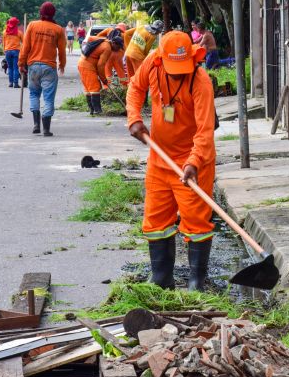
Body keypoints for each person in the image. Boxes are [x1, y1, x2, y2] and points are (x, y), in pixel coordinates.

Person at [126, 31, 215, 292]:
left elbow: (205, 131)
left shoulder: (200, 81)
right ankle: (162, 278)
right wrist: (134, 117)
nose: (177, 73)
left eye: (182, 67)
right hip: (159, 159)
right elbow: (134, 88)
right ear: (161, 58)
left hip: (192, 163)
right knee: (156, 220)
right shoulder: (151, 64)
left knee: (197, 223)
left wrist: (193, 162)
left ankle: (197, 283)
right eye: (172, 67)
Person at [19, 2, 66, 137]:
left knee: (34, 94)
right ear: (53, 13)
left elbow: (25, 47)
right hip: (49, 67)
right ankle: (46, 129)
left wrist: (21, 63)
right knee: (48, 98)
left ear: (41, 12)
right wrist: (62, 64)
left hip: (33, 66)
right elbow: (62, 50)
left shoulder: (32, 25)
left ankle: (36, 125)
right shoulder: (58, 29)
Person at [77, 30, 124, 115]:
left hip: (82, 63)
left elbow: (90, 38)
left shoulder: (104, 40)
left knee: (89, 88)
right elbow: (100, 65)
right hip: (87, 65)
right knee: (95, 87)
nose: (118, 49)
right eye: (118, 46)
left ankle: (92, 110)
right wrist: (103, 79)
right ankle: (97, 110)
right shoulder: (108, 48)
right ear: (114, 43)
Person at [2, 17, 23, 88]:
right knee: (16, 68)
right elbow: (24, 42)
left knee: (10, 67)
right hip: (16, 52)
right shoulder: (19, 33)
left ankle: (11, 83)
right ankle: (16, 83)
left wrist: (4, 50)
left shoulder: (5, 32)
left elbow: (3, 43)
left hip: (7, 51)